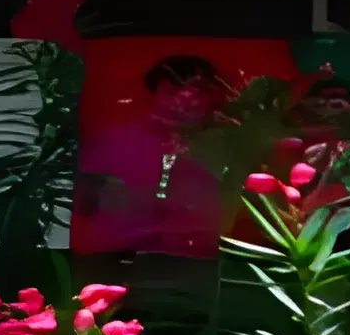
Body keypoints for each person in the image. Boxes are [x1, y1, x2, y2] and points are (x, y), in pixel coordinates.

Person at [78, 52, 235, 253]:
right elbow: (79, 197)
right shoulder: (116, 139)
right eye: (174, 90)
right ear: (155, 94)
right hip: (118, 255)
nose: (186, 99)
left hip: (206, 256)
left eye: (200, 90)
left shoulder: (229, 146)